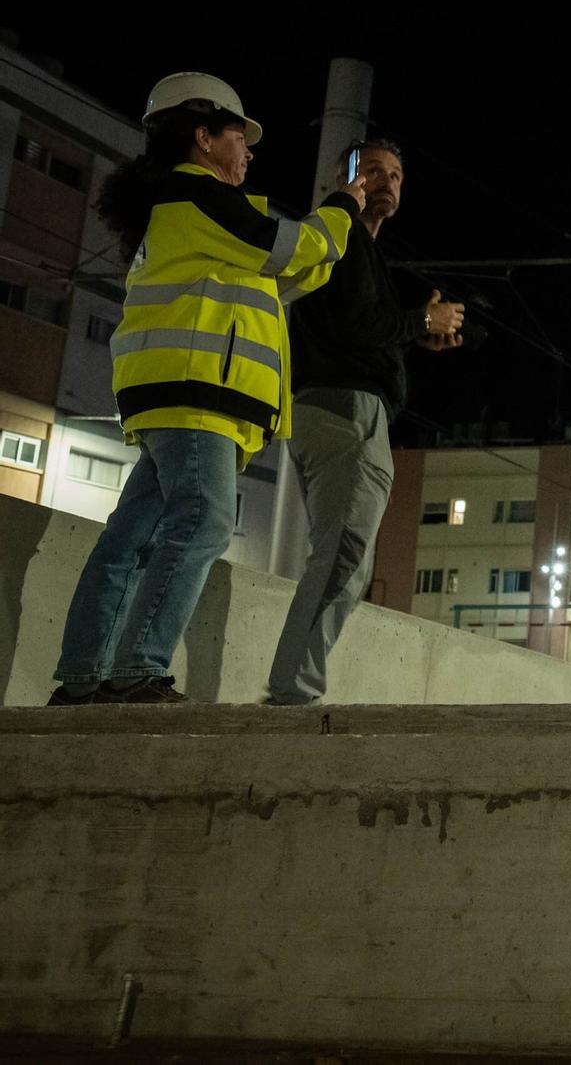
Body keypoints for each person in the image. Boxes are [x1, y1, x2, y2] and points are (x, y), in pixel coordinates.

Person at [49, 73, 360, 705]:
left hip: (173, 393)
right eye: (239, 137)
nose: (248, 152)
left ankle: (83, 676)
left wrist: (328, 240)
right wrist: (344, 208)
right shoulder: (197, 197)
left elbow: (292, 271)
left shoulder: (188, 212)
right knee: (204, 521)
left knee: (133, 533)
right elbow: (297, 245)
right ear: (203, 136)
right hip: (196, 395)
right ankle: (139, 666)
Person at [264, 138, 464, 705]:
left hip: (331, 410)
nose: (387, 181)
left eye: (396, 174)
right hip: (345, 414)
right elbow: (357, 326)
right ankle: (293, 693)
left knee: (340, 553)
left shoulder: (356, 247)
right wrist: (419, 318)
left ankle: (293, 687)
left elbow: (358, 326)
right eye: (372, 171)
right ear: (342, 177)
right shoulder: (341, 232)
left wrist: (415, 334)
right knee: (345, 555)